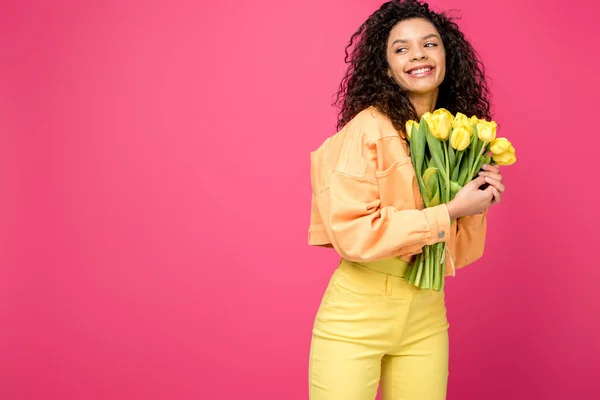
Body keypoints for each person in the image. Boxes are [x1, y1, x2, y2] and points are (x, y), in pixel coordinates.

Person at [307, 1, 506, 399]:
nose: (417, 54)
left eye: (429, 44)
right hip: (357, 316)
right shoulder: (365, 131)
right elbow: (354, 236)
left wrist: (476, 206)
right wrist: (450, 210)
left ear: (447, 56)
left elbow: (459, 254)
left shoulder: (455, 136)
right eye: (401, 48)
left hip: (427, 313)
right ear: (385, 68)